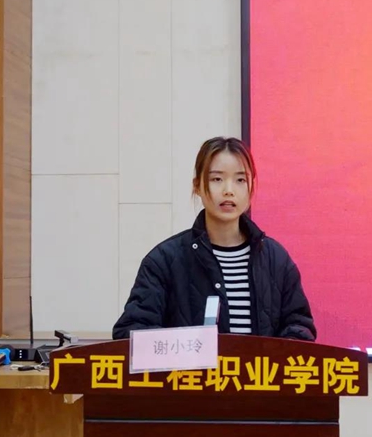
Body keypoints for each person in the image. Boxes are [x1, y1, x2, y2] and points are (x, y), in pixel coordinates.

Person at [113, 136, 316, 341]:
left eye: (240, 180)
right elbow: (131, 331)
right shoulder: (165, 260)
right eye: (217, 179)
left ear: (251, 187)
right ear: (197, 186)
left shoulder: (276, 259)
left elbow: (299, 327)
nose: (229, 190)